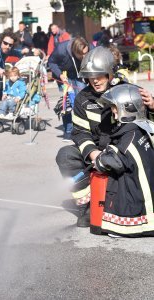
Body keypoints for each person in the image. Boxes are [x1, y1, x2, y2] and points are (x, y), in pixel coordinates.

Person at [55, 46, 154, 227]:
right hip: (98, 154)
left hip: (124, 155)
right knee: (66, 156)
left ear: (109, 73)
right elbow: (79, 133)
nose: (95, 81)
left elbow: (147, 125)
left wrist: (152, 105)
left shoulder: (128, 90)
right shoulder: (82, 99)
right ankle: (87, 205)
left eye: (99, 76)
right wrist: (94, 154)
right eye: (90, 77)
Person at [94, 84, 154, 237]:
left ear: (128, 108)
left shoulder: (129, 137)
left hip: (138, 203)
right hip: (146, 188)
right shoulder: (143, 127)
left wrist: (100, 160)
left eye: (115, 107)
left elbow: (117, 160)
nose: (113, 111)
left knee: (117, 183)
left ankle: (131, 226)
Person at [48, 36, 91, 141]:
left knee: (81, 101)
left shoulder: (91, 48)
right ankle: (68, 130)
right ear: (74, 51)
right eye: (82, 54)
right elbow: (51, 62)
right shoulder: (61, 49)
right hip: (65, 76)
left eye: (86, 52)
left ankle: (84, 129)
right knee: (66, 103)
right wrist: (59, 75)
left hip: (80, 75)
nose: (85, 55)